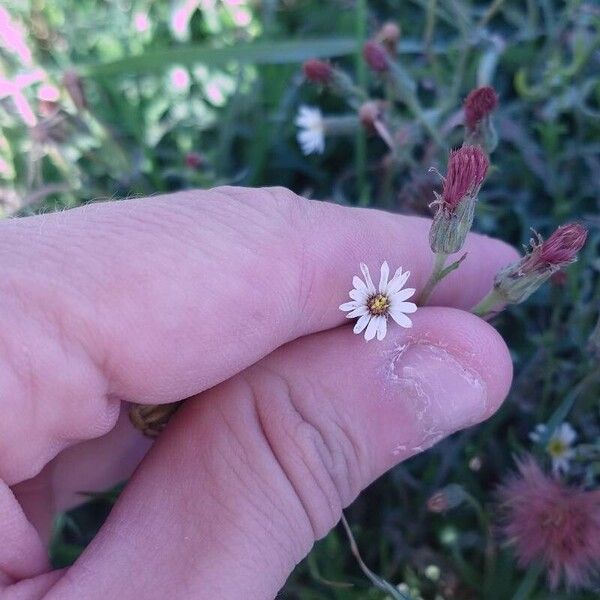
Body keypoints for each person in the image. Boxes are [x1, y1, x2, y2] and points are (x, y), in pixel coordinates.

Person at [0, 186, 515, 599]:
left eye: (382, 302)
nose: (381, 301)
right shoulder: (375, 303)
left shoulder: (379, 302)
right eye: (380, 301)